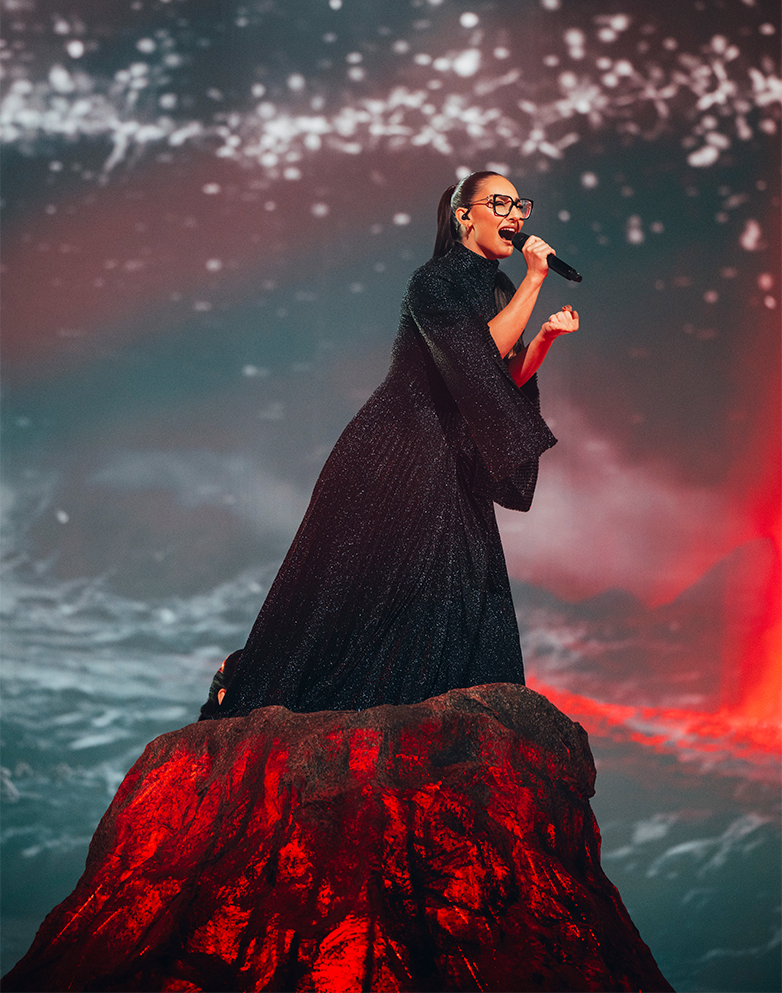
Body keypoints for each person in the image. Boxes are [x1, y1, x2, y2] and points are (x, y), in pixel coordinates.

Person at [212, 171, 578, 719]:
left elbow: (499, 377)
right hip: (394, 453)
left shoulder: (501, 289)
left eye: (519, 205)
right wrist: (535, 280)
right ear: (464, 216)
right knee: (357, 600)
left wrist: (544, 337)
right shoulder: (432, 283)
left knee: (462, 597)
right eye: (500, 203)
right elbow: (473, 356)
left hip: (451, 460)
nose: (515, 216)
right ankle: (243, 679)